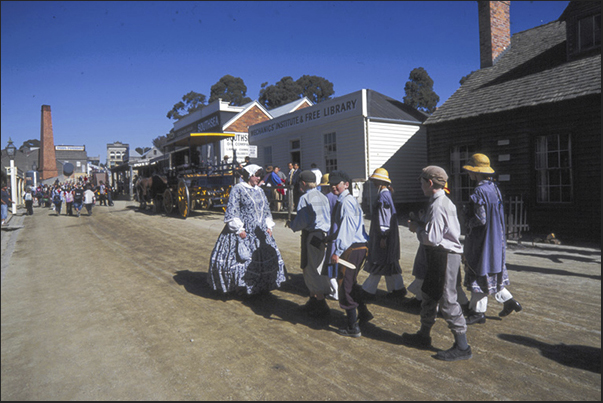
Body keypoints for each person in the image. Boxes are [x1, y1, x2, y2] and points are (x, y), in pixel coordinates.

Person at [402, 166, 472, 361]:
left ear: (429, 183)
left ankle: (463, 346)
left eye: (422, 182)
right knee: (429, 295)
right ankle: (423, 335)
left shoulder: (438, 205)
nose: (421, 185)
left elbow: (432, 238)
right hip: (440, 255)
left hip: (444, 256)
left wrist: (416, 228)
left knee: (447, 300)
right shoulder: (440, 202)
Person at [208, 164, 287, 296]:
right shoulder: (238, 189)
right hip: (243, 230)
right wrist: (239, 229)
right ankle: (241, 286)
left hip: (259, 231)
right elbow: (232, 211)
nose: (258, 178)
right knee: (242, 259)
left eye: (260, 175)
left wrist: (268, 225)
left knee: (262, 258)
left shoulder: (260, 190)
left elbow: (266, 209)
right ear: (249, 175)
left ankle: (260, 285)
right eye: (256, 175)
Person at [462, 153, 522, 324]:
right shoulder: (494, 188)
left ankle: (478, 313)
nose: (469, 174)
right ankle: (509, 302)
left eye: (470, 170)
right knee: (491, 272)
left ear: (476, 172)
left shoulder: (479, 190)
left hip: (483, 239)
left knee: (480, 272)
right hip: (496, 237)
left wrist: (467, 220)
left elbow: (481, 219)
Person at [324, 170, 371, 337]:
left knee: (345, 285)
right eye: (331, 184)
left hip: (352, 248)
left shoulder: (345, 202)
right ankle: (364, 313)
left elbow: (348, 229)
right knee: (351, 282)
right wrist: (331, 238)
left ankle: (353, 327)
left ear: (346, 185)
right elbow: (347, 227)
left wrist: (337, 251)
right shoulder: (346, 201)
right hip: (357, 246)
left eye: (337, 184)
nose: (334, 186)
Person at [285, 170, 332, 317]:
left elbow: (302, 221)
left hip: (312, 234)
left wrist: (292, 224)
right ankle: (313, 299)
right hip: (324, 234)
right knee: (317, 265)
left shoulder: (305, 198)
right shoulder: (323, 197)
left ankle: (320, 302)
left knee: (310, 268)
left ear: (303, 183)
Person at [361, 168, 407, 300]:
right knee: (389, 262)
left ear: (381, 181)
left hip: (384, 235)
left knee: (379, 260)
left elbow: (384, 218)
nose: (374, 182)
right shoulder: (385, 194)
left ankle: (368, 290)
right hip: (388, 235)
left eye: (375, 180)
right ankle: (398, 289)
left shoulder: (383, 196)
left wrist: (383, 237)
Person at [320, 173, 339, 300]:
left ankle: (335, 291)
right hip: (339, 231)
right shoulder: (339, 197)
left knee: (330, 263)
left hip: (332, 230)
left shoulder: (326, 198)